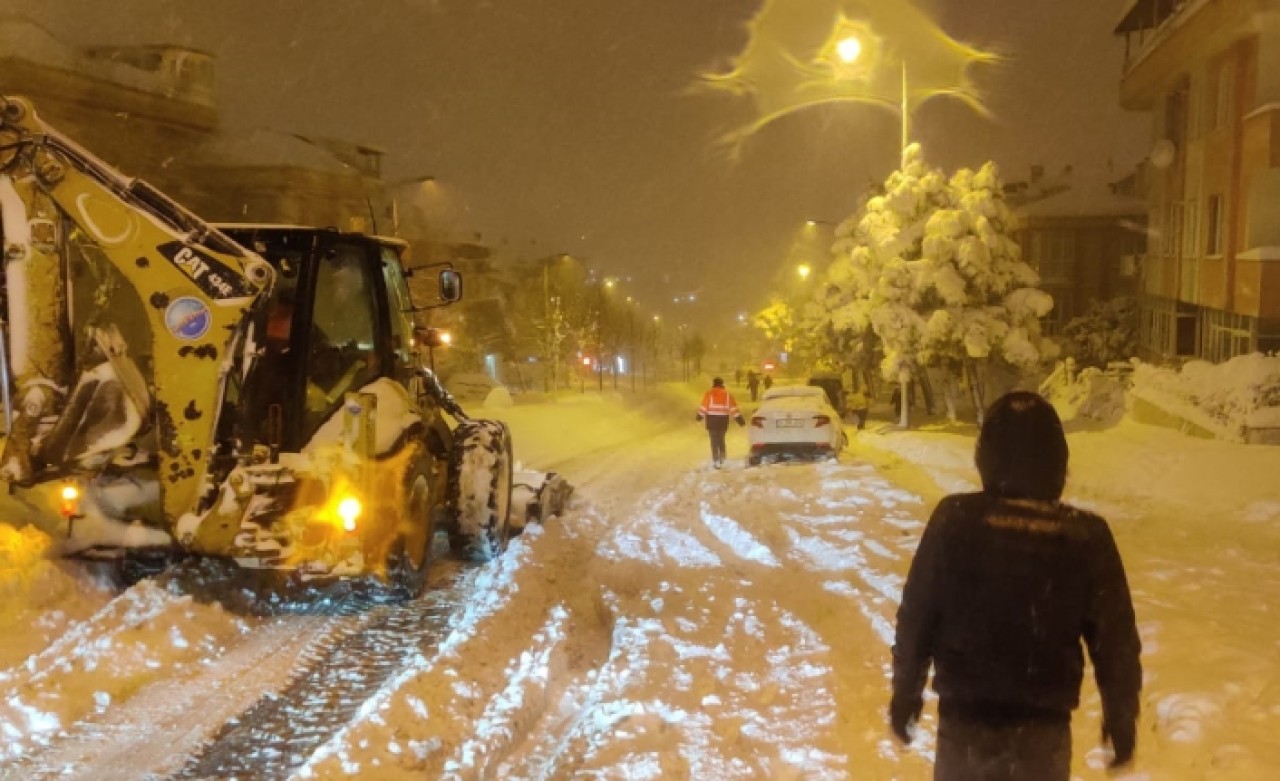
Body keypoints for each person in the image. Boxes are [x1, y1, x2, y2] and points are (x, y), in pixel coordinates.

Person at [890, 391, 1141, 780]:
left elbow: (918, 616)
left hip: (965, 728)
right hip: (1043, 733)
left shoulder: (954, 521)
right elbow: (1115, 640)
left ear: (986, 457)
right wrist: (1121, 714)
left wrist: (906, 692)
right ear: (1057, 462)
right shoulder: (1085, 536)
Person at [695, 377, 745, 468]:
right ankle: (723, 458)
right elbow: (733, 408)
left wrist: (699, 417)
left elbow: (704, 407)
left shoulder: (709, 394)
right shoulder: (727, 395)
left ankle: (716, 460)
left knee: (714, 441)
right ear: (722, 384)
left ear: (714, 384)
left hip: (712, 420)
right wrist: (739, 420)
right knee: (721, 439)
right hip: (723, 420)